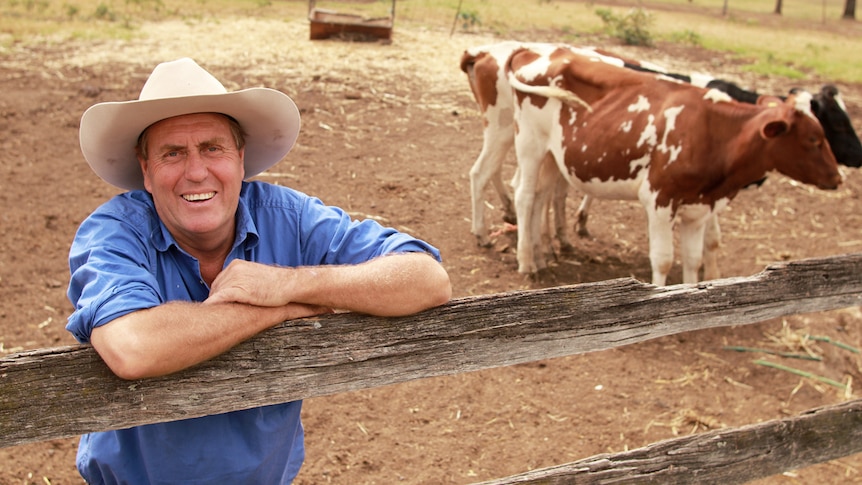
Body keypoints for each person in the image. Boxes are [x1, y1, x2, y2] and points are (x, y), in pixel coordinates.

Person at [65, 57, 452, 484]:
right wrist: (280, 308)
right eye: (172, 153)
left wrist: (288, 281)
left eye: (213, 148)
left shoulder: (287, 215)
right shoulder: (114, 232)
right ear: (146, 170)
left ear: (240, 158)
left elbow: (427, 279)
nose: (196, 172)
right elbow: (133, 347)